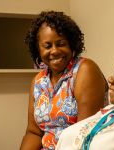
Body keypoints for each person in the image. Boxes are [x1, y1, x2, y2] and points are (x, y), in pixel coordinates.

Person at [20, 11, 108, 150]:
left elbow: (84, 133)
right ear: (38, 49)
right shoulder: (37, 82)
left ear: (72, 44)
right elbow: (34, 133)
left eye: (61, 44)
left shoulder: (84, 70)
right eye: (47, 46)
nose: (54, 51)